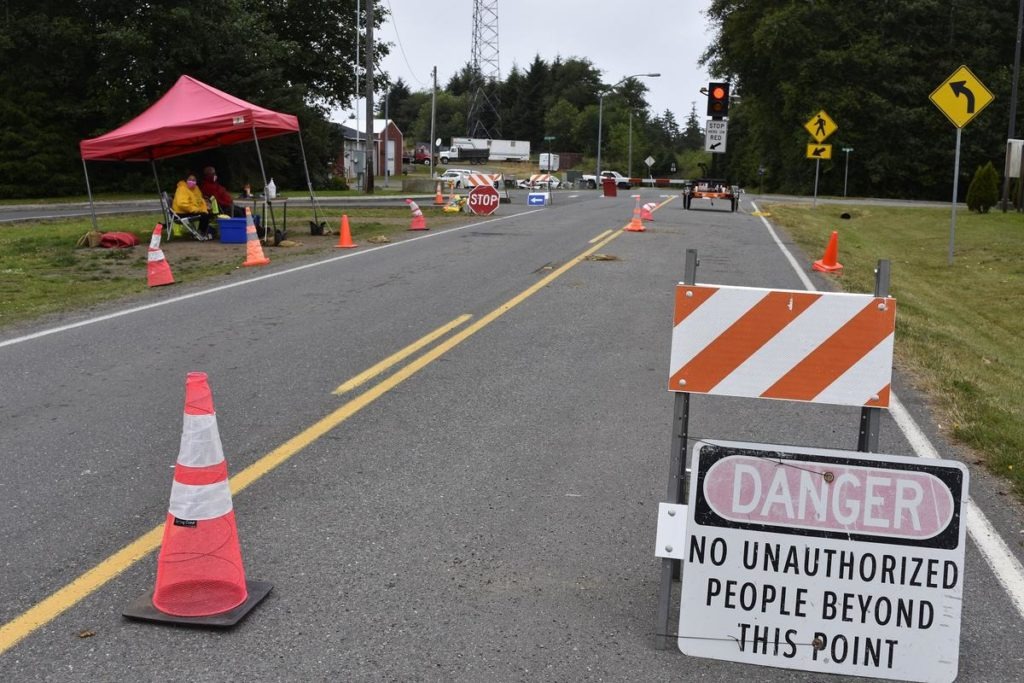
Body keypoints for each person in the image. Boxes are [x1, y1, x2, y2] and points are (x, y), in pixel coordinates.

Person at [172, 173, 213, 239]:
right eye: (190, 179)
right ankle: (201, 233)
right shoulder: (182, 189)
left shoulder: (196, 188)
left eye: (194, 180)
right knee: (205, 215)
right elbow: (182, 204)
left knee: (207, 213)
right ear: (186, 180)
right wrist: (197, 210)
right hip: (181, 213)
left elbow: (200, 200)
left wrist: (204, 208)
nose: (192, 181)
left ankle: (202, 232)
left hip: (190, 211)